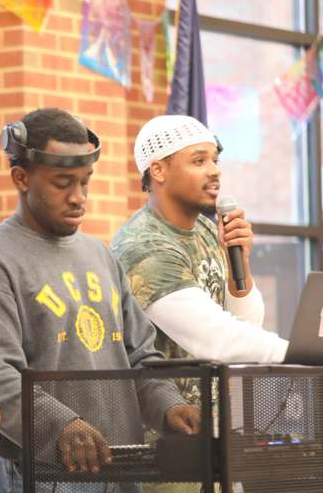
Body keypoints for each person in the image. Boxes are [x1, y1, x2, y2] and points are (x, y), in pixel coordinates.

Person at [0, 108, 201, 493]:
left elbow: (140, 354)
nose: (78, 197)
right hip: (41, 476)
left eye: (84, 182)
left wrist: (168, 405)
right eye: (62, 183)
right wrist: (63, 426)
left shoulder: (100, 256)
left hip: (121, 469)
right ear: (21, 178)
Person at [111, 115, 287, 393]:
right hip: (166, 417)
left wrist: (239, 263)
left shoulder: (208, 229)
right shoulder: (143, 246)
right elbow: (218, 340)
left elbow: (247, 326)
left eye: (215, 160)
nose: (215, 171)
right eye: (199, 161)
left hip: (214, 414)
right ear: (158, 170)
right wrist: (302, 355)